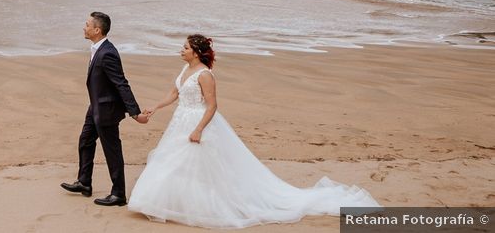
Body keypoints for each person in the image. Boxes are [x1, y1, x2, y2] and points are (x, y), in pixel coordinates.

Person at [128, 34, 380, 227]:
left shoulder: (205, 75)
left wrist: (199, 130)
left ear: (196, 53)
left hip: (197, 122)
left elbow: (213, 105)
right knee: (174, 162)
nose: (181, 50)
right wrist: (156, 108)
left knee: (200, 166)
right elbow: (175, 93)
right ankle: (170, 202)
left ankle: (203, 207)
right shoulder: (185, 69)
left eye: (185, 47)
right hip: (180, 120)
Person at [61, 12, 148, 207]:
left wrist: (135, 113)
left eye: (87, 25)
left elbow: (121, 83)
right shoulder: (97, 48)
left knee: (112, 151)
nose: (84, 27)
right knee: (85, 141)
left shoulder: (108, 52)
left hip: (107, 109)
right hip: (95, 107)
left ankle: (118, 194)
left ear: (97, 30)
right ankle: (84, 182)